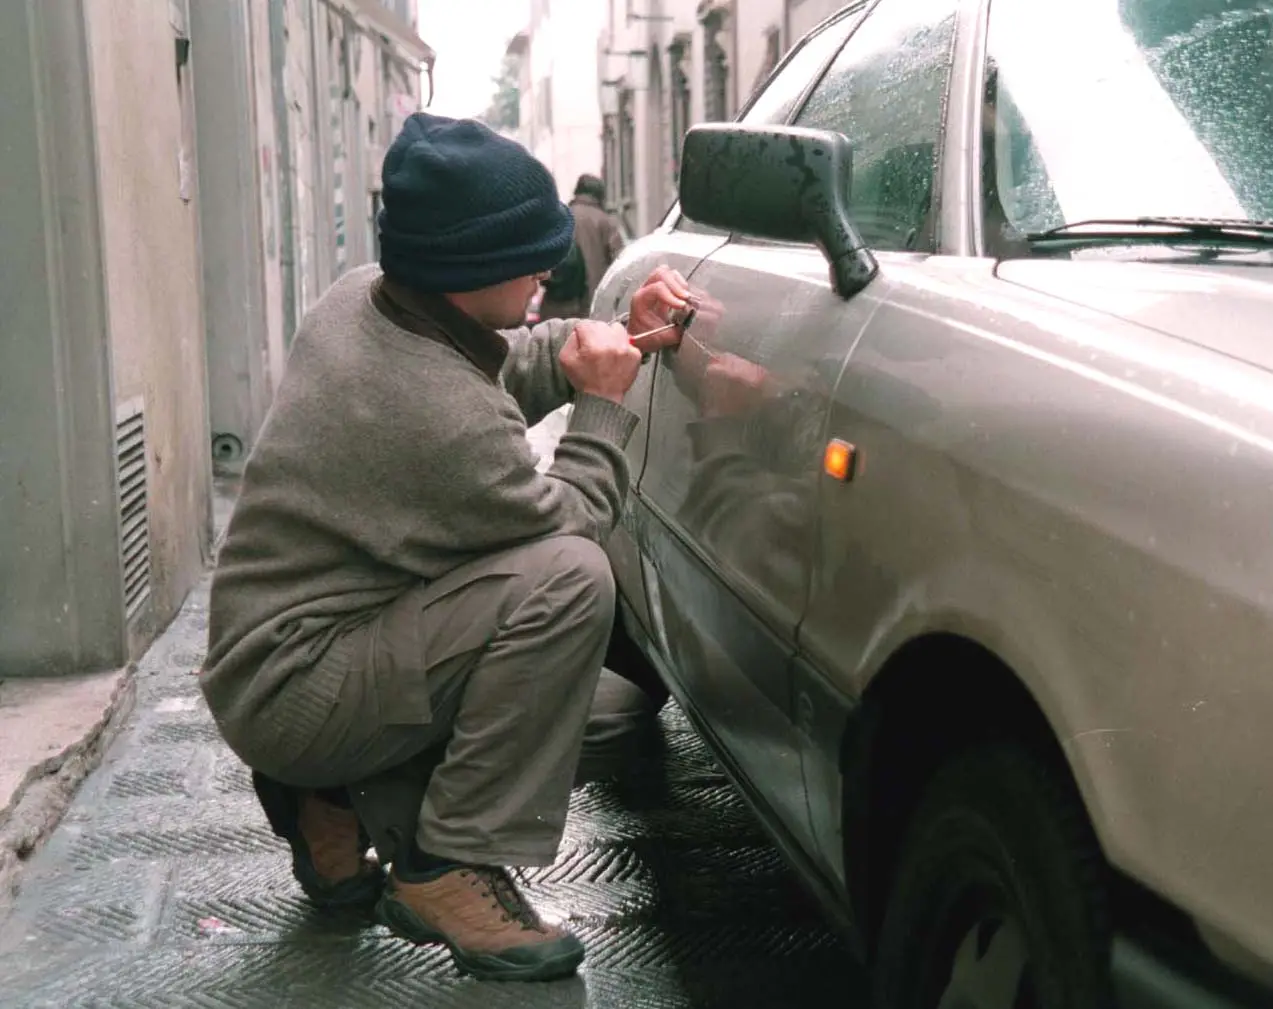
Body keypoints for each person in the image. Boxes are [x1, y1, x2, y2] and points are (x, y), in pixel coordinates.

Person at [198, 112, 692, 983]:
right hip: (297, 690)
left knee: (603, 703)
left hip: (276, 659)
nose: (548, 269)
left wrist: (623, 333)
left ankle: (329, 798)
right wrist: (605, 408)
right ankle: (443, 865)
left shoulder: (366, 299)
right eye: (530, 256)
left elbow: (497, 360)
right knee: (570, 584)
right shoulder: (433, 419)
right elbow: (573, 520)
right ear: (470, 271)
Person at [537, 173, 625, 321]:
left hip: (556, 305)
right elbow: (620, 262)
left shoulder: (558, 216)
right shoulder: (606, 222)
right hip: (591, 306)